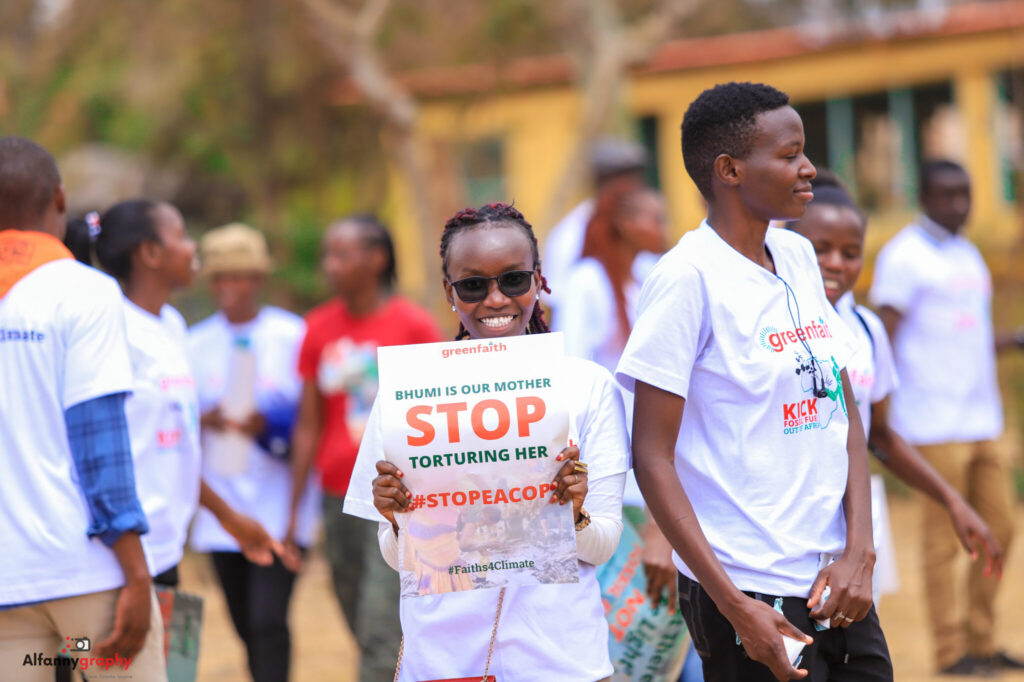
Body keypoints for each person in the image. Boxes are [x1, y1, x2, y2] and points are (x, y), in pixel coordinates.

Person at [617, 82, 893, 681]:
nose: (809, 168)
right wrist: (734, 606)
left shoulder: (796, 256)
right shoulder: (687, 279)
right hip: (749, 588)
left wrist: (860, 550)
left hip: (834, 579)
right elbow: (652, 456)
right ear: (730, 170)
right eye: (790, 154)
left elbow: (841, 408)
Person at [343, 201, 630, 681]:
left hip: (559, 662)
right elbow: (399, 560)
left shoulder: (587, 386)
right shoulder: (407, 395)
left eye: (514, 280)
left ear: (539, 280)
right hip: (443, 662)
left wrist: (573, 514)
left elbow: (602, 546)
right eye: (473, 285)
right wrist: (397, 520)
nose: (496, 300)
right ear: (449, 292)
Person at [786, 172, 1003, 594]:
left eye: (851, 252)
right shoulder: (771, 332)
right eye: (820, 249)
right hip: (784, 537)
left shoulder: (866, 331)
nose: (836, 263)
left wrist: (951, 499)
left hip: (854, 532)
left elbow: (879, 435)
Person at [0, 137, 166, 681]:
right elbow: (99, 442)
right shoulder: (83, 292)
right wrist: (136, 573)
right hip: (87, 579)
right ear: (59, 198)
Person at [868, 159, 1022, 675]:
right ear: (925, 197)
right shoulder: (904, 256)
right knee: (943, 543)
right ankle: (950, 650)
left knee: (1001, 527)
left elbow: (966, 335)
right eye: (947, 194)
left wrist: (1013, 340)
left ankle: (982, 638)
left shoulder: (967, 253)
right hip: (931, 422)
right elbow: (884, 337)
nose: (959, 204)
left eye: (965, 194)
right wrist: (879, 412)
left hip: (981, 418)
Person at [84, 200, 283, 589]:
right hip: (120, 559)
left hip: (165, 549)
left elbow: (177, 451)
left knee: (168, 633)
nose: (194, 248)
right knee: (114, 637)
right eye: (181, 236)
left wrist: (228, 517)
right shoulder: (110, 330)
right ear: (150, 253)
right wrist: (133, 568)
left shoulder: (172, 326)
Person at [286, 214, 443, 682]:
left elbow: (437, 417)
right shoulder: (317, 328)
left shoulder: (413, 325)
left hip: (394, 501)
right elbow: (308, 425)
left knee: (380, 627)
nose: (329, 265)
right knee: (356, 615)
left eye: (341, 254)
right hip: (338, 500)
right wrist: (294, 511)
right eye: (327, 255)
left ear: (376, 258)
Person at [188, 223, 320, 682]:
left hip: (277, 503)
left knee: (268, 622)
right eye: (220, 278)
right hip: (220, 509)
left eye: (238, 277)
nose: (228, 287)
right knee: (244, 623)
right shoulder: (193, 343)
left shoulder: (292, 335)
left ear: (258, 279)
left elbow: (311, 418)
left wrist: (269, 424)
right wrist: (206, 419)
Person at [543, 138, 657, 325]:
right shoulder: (570, 235)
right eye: (626, 179)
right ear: (602, 183)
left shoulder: (639, 229)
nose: (636, 187)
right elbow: (557, 308)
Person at [558, 185, 668, 375]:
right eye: (658, 220)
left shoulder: (648, 271)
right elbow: (572, 354)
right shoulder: (587, 279)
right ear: (626, 224)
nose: (666, 230)